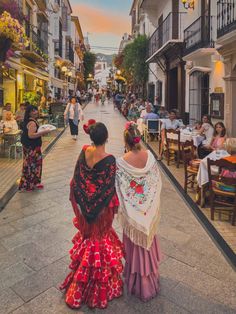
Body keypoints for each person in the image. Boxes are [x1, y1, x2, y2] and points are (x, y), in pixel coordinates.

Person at [60, 120, 124, 309]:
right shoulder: (110, 159)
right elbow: (108, 186)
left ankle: (81, 281)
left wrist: (85, 202)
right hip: (102, 210)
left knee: (88, 239)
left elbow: (77, 177)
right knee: (101, 241)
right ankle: (98, 284)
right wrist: (101, 205)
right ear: (106, 138)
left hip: (85, 207)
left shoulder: (85, 151)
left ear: (91, 137)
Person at [116, 121, 162, 301]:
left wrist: (131, 204)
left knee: (135, 243)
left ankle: (135, 279)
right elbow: (156, 182)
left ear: (126, 142)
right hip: (148, 211)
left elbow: (120, 186)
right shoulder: (150, 156)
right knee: (147, 242)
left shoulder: (121, 162)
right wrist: (149, 203)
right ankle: (149, 278)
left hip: (133, 214)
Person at [19, 105, 50, 191]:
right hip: (32, 148)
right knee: (32, 165)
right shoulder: (32, 122)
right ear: (29, 113)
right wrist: (43, 132)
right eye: (33, 111)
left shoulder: (29, 120)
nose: (36, 112)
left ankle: (31, 183)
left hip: (29, 147)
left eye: (36, 110)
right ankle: (30, 184)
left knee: (29, 165)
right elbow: (31, 135)